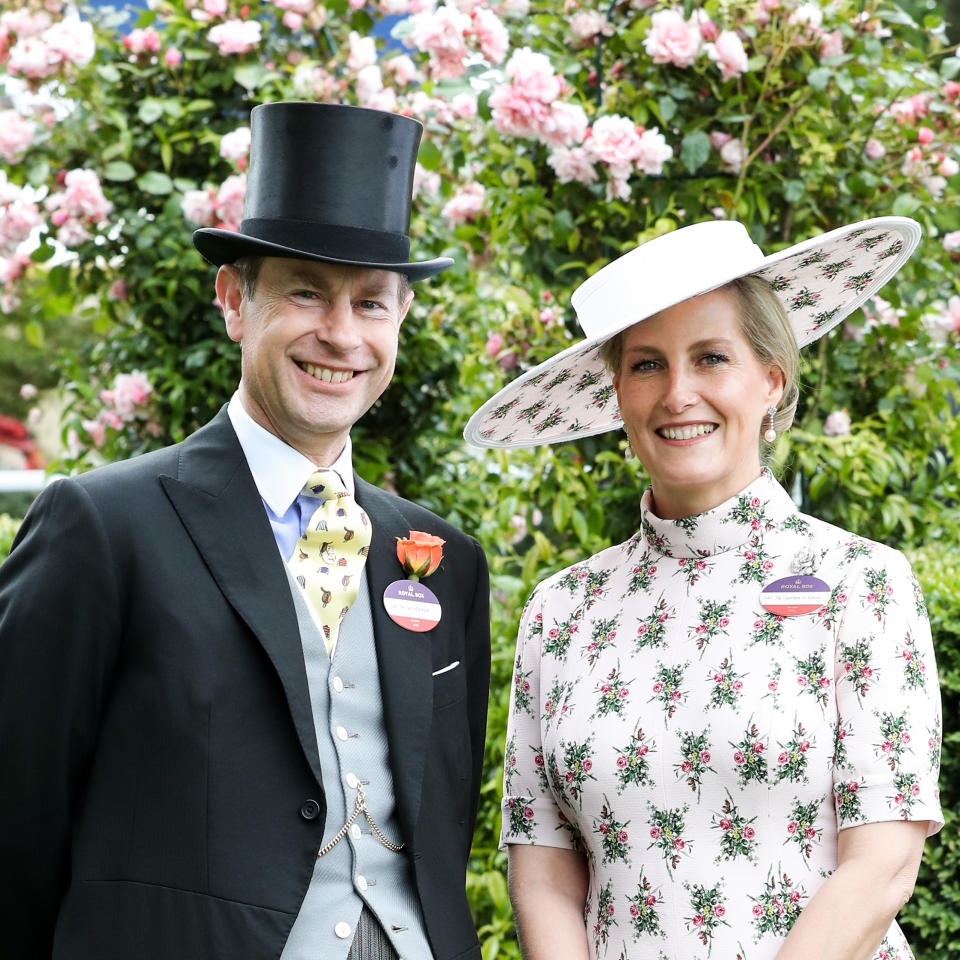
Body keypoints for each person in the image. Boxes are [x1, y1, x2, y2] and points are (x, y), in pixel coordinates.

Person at [0, 102, 490, 960]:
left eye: (372, 304)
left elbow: (443, 815)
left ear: (401, 321)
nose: (341, 334)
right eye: (306, 292)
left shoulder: (446, 560)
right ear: (236, 300)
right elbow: (14, 820)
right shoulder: (103, 527)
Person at [464, 218, 942, 960]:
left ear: (771, 378)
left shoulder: (863, 585)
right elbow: (545, 874)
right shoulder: (561, 612)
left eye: (711, 358)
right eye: (647, 365)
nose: (678, 393)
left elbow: (881, 866)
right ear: (618, 394)